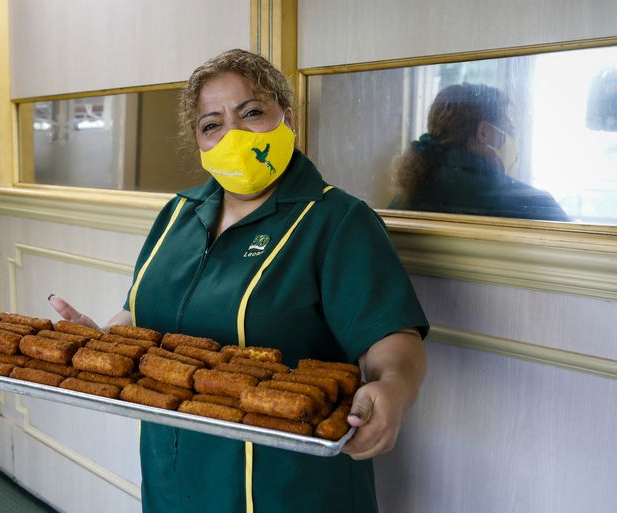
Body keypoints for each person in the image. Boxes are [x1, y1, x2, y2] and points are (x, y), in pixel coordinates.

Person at [50, 49, 429, 513]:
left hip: (285, 485)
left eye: (251, 112)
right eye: (212, 124)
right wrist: (102, 342)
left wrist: (394, 388)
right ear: (199, 141)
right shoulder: (178, 214)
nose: (233, 134)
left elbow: (392, 338)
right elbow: (139, 312)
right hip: (177, 468)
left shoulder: (337, 219)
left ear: (286, 117)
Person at [389, 83, 569, 221]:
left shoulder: (404, 199)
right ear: (484, 133)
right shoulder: (534, 205)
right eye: (509, 127)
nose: (513, 138)